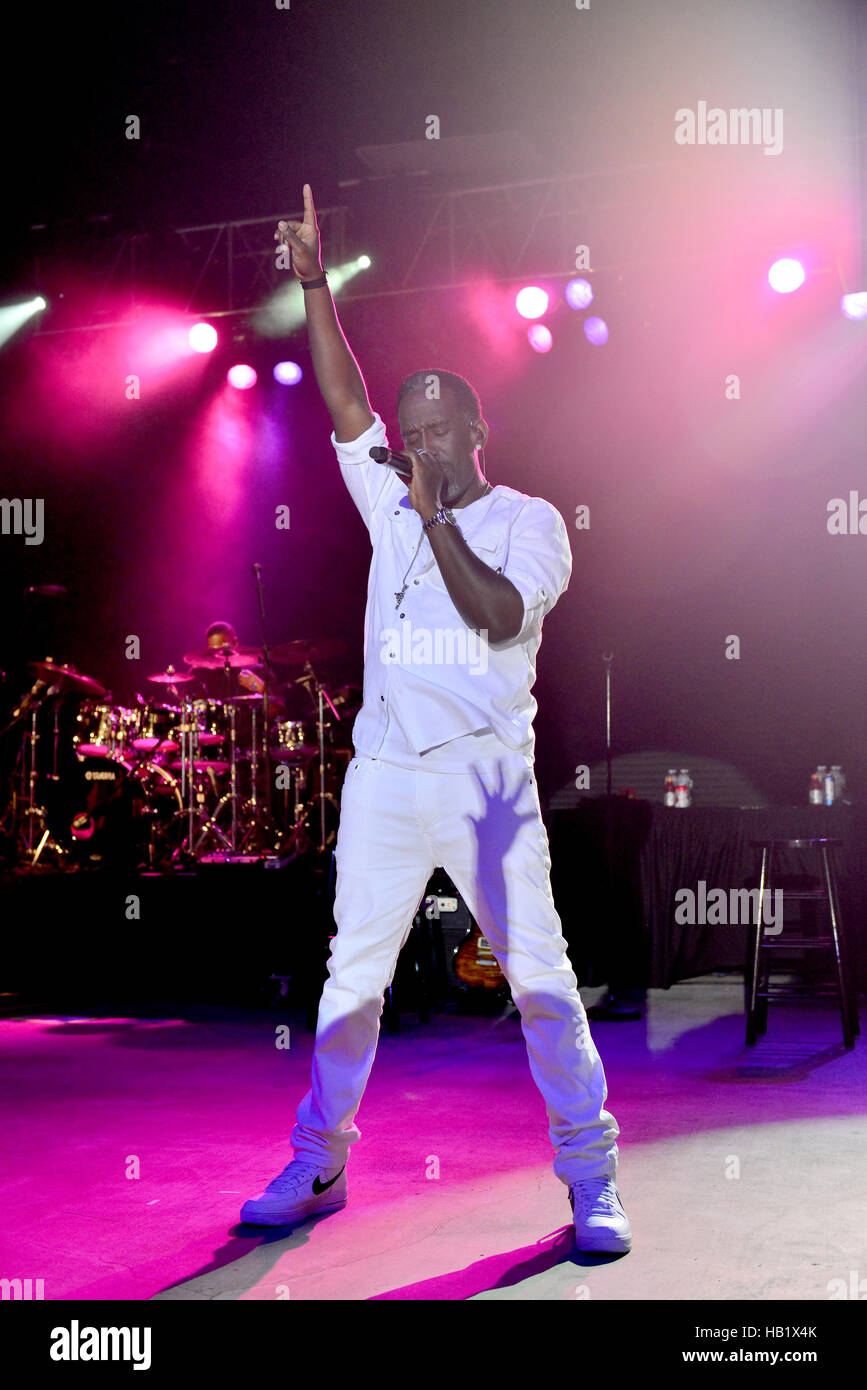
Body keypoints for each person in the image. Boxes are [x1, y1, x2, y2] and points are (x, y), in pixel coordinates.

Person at [240, 184, 631, 1255]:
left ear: (475, 430)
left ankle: (591, 1176)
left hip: (488, 784)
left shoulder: (529, 521)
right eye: (405, 434)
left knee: (542, 980)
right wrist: (316, 285)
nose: (412, 446)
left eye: (433, 432)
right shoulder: (387, 489)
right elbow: (341, 399)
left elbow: (500, 616)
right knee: (350, 978)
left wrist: (434, 518)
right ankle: (319, 1159)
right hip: (384, 776)